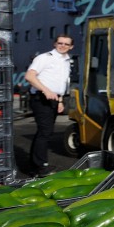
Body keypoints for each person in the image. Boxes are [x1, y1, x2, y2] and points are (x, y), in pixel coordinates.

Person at [25, 35, 74, 177]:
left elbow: (59, 83)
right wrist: (45, 90)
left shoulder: (66, 61)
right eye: (60, 43)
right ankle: (41, 167)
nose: (62, 45)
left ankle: (35, 166)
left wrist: (59, 101)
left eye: (66, 44)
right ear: (55, 43)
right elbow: (30, 76)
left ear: (71, 47)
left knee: (44, 132)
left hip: (53, 99)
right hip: (41, 98)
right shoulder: (44, 58)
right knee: (45, 133)